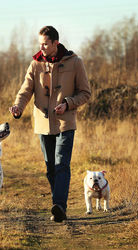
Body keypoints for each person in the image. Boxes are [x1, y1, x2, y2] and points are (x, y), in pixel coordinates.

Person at [9, 26, 91, 222]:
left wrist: (68, 103)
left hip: (65, 123)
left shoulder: (75, 62)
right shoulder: (36, 64)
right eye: (40, 44)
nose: (42, 47)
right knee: (50, 168)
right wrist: (18, 107)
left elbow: (85, 93)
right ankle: (58, 205)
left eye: (45, 43)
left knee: (62, 164)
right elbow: (25, 91)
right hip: (43, 125)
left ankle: (59, 206)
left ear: (56, 42)